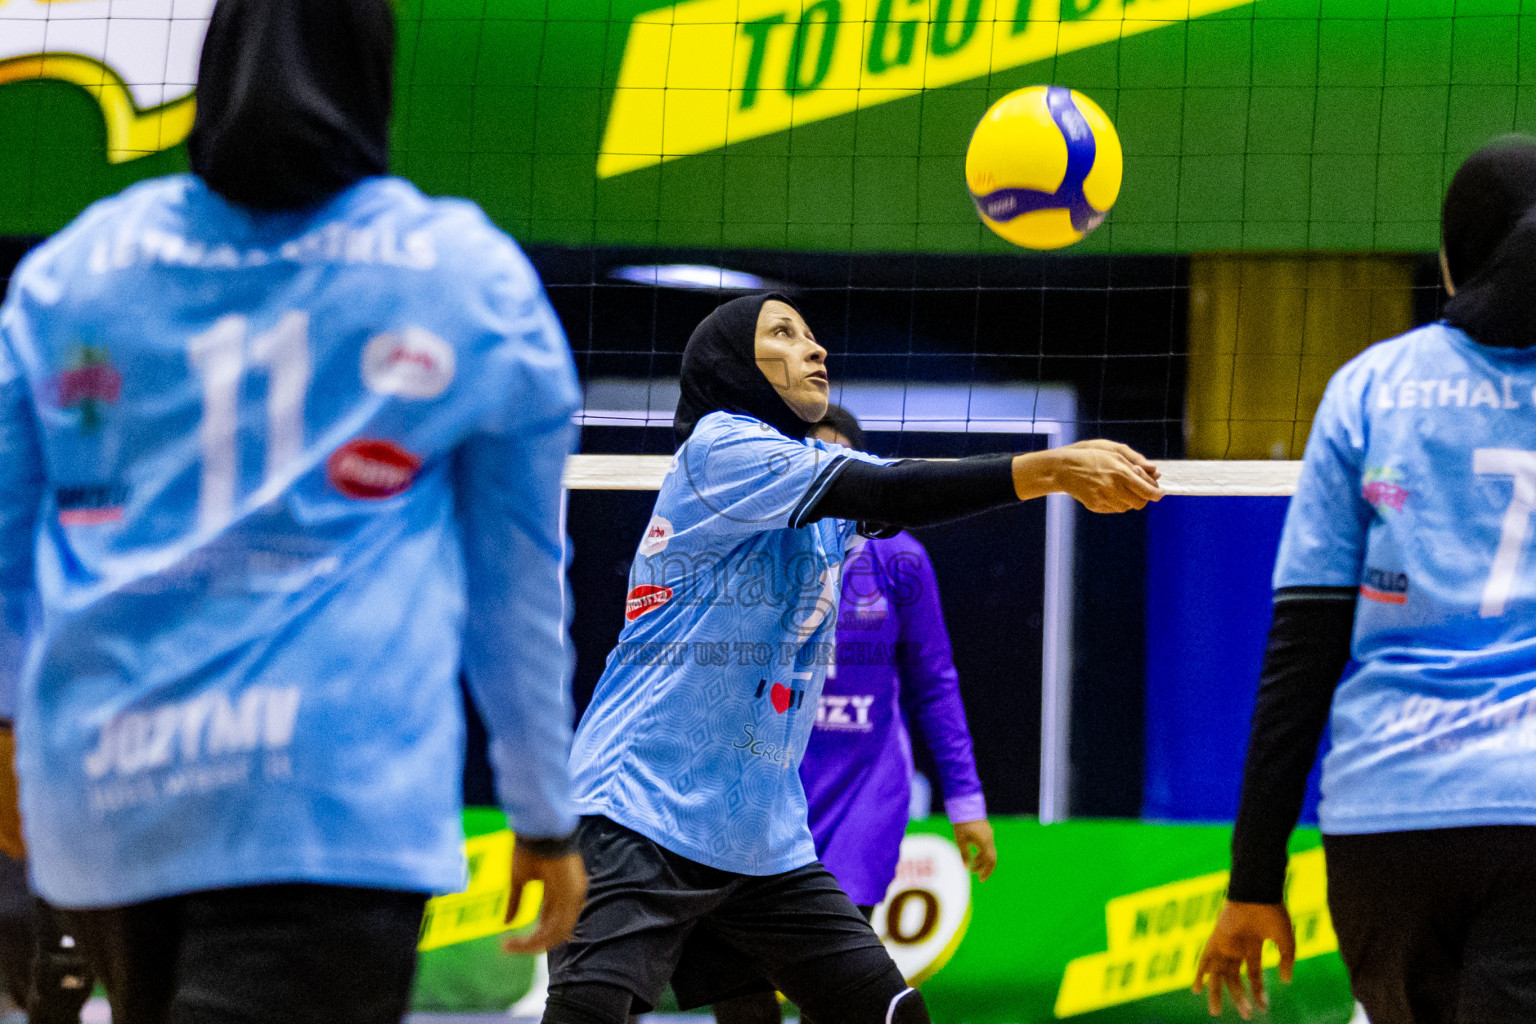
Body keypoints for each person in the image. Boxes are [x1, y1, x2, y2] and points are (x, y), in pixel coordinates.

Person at [0, 0, 587, 1021]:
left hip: (107, 787)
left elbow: (7, 536)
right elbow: (516, 586)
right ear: (375, 71)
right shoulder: (467, 280)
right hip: (334, 792)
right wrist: (543, 813)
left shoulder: (70, 272)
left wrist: (5, 728)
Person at [542, 293, 1162, 1024]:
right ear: (735, 365)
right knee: (591, 1014)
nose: (816, 349)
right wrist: (1051, 470)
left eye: (812, 335)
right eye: (784, 334)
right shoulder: (721, 448)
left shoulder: (816, 477)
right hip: (638, 809)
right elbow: (887, 485)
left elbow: (899, 492)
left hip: (759, 835)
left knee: (892, 1013)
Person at [1194, 134, 1536, 1024]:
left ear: (1453, 261)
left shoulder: (1370, 388)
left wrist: (1253, 880)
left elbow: (1298, 661)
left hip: (1387, 825)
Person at [711, 403, 997, 1024]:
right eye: (809, 461)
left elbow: (935, 682)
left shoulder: (900, 559)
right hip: (766, 787)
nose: (825, 474)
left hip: (867, 790)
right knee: (742, 993)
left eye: (840, 463)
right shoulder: (755, 555)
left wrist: (966, 801)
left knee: (835, 988)